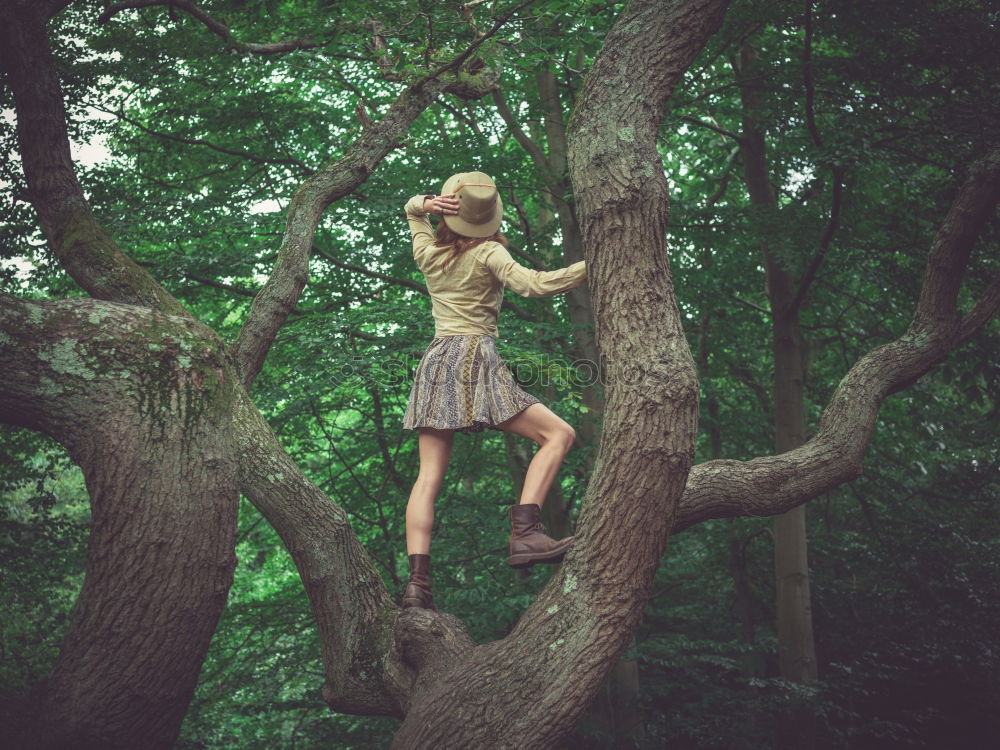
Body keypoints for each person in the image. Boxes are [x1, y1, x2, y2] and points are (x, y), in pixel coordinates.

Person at [399, 171, 588, 611]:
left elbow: (410, 210)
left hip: (434, 361)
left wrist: (425, 203)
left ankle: (416, 587)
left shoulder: (427, 252)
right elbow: (536, 285)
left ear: (450, 210)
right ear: (487, 219)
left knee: (428, 478)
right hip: (472, 359)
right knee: (558, 435)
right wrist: (592, 265)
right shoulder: (489, 254)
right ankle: (524, 534)